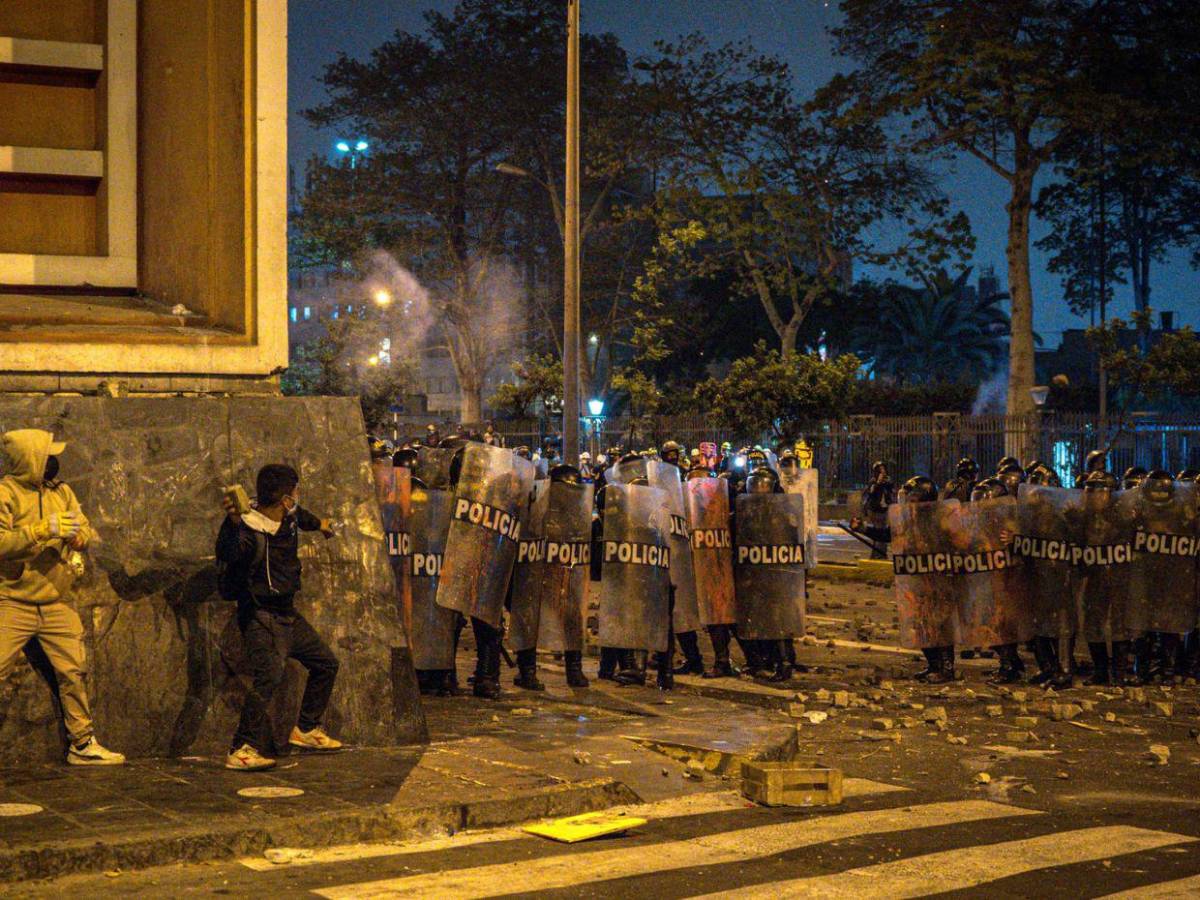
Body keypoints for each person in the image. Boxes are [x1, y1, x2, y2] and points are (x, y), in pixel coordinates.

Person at [0, 430, 125, 766]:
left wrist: (79, 537)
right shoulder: (5, 493)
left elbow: (83, 526)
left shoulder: (61, 491)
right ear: (29, 458)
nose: (52, 461)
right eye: (45, 455)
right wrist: (42, 530)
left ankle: (82, 743)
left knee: (73, 671)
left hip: (57, 599)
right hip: (12, 599)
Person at [218, 464, 342, 771]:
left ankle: (307, 728)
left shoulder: (289, 516)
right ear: (286, 498)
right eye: (295, 492)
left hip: (288, 615)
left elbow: (303, 517)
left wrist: (322, 524)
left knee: (326, 663)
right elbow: (228, 552)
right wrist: (232, 522)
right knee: (269, 677)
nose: (298, 498)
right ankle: (242, 748)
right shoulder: (247, 527)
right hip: (261, 616)